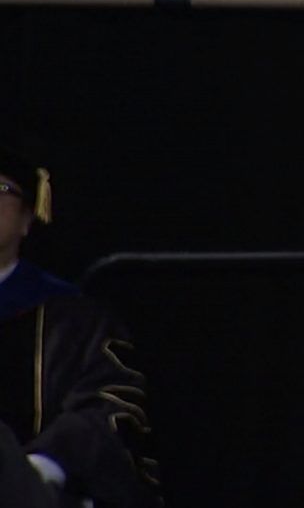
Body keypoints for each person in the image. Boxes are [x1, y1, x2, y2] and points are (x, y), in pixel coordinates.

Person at [0, 146, 159, 508]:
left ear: (28, 218)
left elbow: (111, 406)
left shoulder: (76, 320)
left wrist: (41, 467)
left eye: (1, 189)